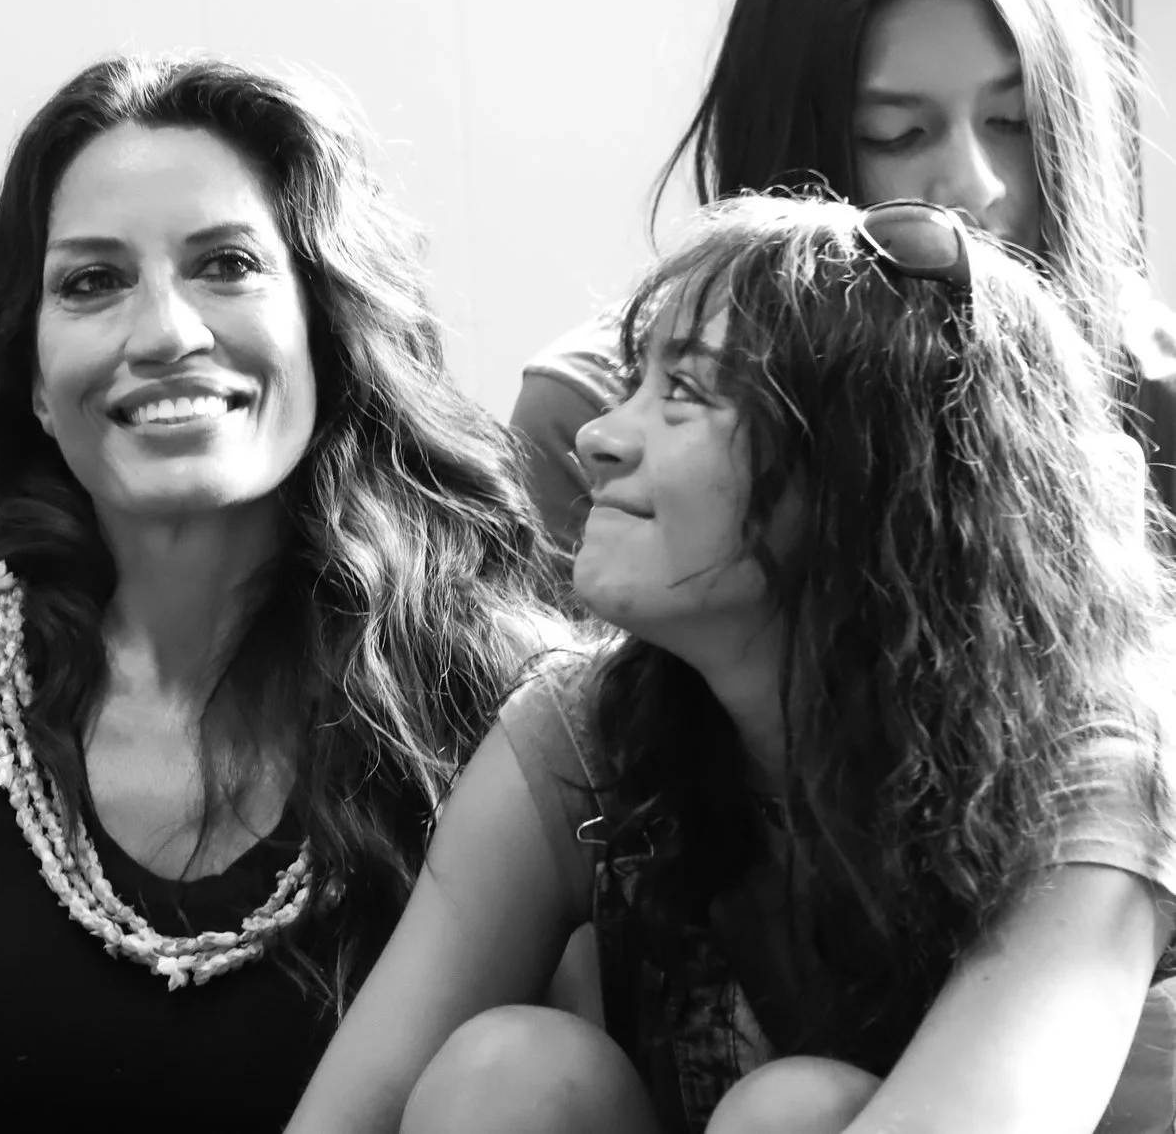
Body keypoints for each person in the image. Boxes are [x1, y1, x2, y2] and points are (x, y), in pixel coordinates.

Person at [286, 194, 1176, 1134]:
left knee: (791, 1113)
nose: (597, 436)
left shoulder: (1090, 756)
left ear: (870, 469)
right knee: (511, 1074)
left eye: (686, 394)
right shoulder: (580, 730)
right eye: (633, 384)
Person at [0, 54, 571, 1132]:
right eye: (90, 281)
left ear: (327, 325)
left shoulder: (503, 702)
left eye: (226, 263)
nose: (164, 331)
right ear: (28, 367)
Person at [512, 0, 1175, 549]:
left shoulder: (1143, 380)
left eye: (1012, 122)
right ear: (783, 163)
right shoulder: (593, 423)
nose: (979, 186)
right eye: (899, 133)